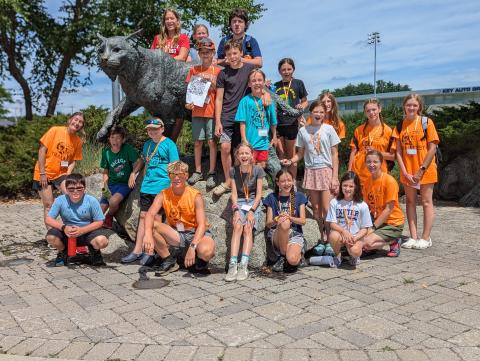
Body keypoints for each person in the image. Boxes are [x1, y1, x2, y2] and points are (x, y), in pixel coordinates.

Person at [281, 100, 340, 245]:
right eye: (316, 112)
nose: (318, 114)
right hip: (311, 171)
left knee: (326, 208)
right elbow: (300, 153)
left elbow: (334, 155)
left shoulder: (329, 129)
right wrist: (291, 160)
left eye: (321, 112)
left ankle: (330, 235)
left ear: (325, 114)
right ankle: (320, 236)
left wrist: (335, 177)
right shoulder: (303, 131)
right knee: (316, 207)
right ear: (310, 113)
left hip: (326, 171)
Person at [121, 118, 179, 264]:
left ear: (162, 128)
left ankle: (152, 252)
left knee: (156, 220)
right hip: (147, 185)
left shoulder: (169, 144)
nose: (152, 131)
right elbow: (142, 160)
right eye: (149, 129)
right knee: (143, 217)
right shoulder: (147, 144)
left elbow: (175, 165)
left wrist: (173, 186)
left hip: (162, 186)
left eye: (155, 128)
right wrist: (133, 173)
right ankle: (137, 250)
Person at [143, 161, 215, 274]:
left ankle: (199, 262)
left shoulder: (195, 195)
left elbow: (201, 224)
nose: (176, 178)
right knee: (151, 226)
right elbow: (150, 214)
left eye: (180, 175)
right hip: (178, 233)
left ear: (186, 176)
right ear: (169, 176)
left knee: (206, 252)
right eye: (173, 175)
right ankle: (168, 261)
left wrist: (192, 247)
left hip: (196, 232)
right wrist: (147, 234)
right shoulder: (163, 194)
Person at [392, 94, 440, 250]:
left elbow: (432, 148)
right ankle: (413, 237)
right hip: (408, 172)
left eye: (414, 105)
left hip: (425, 170)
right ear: (404, 106)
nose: (411, 108)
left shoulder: (427, 122)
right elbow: (398, 151)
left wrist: (421, 170)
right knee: (410, 202)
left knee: (426, 202)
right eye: (408, 105)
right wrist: (404, 171)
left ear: (419, 107)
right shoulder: (400, 125)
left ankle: (426, 238)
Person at [212, 39, 255, 196]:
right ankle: (228, 181)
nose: (232, 56)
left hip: (244, 117)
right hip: (227, 116)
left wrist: (264, 94)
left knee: (244, 149)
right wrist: (218, 121)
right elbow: (218, 99)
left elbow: (259, 84)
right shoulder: (223, 73)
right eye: (229, 54)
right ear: (226, 56)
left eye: (235, 53)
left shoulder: (250, 69)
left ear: (241, 53)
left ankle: (245, 180)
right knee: (224, 147)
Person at [45, 173, 108, 267]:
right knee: (50, 237)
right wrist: (64, 227)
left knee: (103, 241)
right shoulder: (60, 200)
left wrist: (82, 230)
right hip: (68, 233)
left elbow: (100, 221)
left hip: (87, 232)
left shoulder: (91, 200)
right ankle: (64, 252)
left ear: (85, 188)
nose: (75, 191)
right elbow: (48, 219)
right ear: (66, 189)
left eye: (79, 188)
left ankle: (94, 252)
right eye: (71, 189)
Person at [33, 112, 85, 225]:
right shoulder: (55, 130)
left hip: (61, 173)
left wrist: (68, 173)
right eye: (76, 119)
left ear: (82, 126)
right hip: (44, 172)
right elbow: (41, 150)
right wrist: (42, 173)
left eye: (80, 122)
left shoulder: (77, 141)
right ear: (70, 120)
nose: (77, 123)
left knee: (71, 195)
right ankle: (51, 235)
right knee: (49, 205)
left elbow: (73, 161)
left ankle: (72, 226)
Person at [185, 37, 221, 188]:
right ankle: (198, 171)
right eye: (202, 52)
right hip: (197, 112)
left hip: (212, 111)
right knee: (198, 142)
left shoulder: (218, 71)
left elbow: (220, 93)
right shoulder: (193, 69)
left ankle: (212, 172)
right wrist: (188, 103)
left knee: (212, 142)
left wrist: (212, 83)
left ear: (213, 53)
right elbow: (189, 90)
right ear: (198, 53)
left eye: (208, 52)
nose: (205, 55)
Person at [225, 143, 264, 281]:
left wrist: (252, 210)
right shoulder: (233, 171)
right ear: (237, 155)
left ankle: (244, 264)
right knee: (237, 226)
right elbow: (234, 194)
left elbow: (259, 194)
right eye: (241, 153)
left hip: (253, 202)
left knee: (247, 227)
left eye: (247, 153)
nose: (244, 156)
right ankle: (233, 264)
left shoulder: (258, 170)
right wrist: (235, 209)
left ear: (251, 155)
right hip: (240, 202)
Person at [151, 8, 189, 141]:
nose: (169, 21)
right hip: (160, 79)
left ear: (177, 21)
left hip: (176, 79)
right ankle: (157, 143)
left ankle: (171, 144)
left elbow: (182, 57)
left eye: (172, 18)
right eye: (167, 19)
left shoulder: (183, 38)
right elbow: (152, 58)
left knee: (179, 113)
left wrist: (163, 59)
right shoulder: (157, 39)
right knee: (159, 113)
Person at [362, 150, 405, 257]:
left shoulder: (389, 181)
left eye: (375, 162)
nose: (371, 165)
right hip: (376, 220)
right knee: (358, 239)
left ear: (381, 163)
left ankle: (393, 241)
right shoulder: (367, 182)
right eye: (368, 162)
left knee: (365, 243)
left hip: (392, 223)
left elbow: (388, 209)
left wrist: (373, 228)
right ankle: (375, 244)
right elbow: (366, 207)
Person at [263, 169, 308, 272]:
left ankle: (297, 254)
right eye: (283, 181)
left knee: (292, 260)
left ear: (293, 181)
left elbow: (303, 221)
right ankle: (283, 256)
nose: (287, 183)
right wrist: (276, 220)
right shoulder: (272, 197)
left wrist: (290, 217)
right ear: (278, 183)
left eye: (289, 180)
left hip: (294, 234)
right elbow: (269, 223)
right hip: (277, 234)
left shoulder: (299, 196)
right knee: (284, 222)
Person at [326, 171, 372, 267]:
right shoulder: (334, 202)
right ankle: (338, 256)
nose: (347, 189)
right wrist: (344, 232)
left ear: (356, 187)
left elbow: (365, 228)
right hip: (341, 234)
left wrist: (355, 238)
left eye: (351, 186)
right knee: (333, 235)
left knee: (355, 251)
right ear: (341, 186)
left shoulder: (362, 205)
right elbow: (332, 224)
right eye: (345, 185)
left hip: (356, 236)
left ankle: (354, 256)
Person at [235, 68, 277, 169]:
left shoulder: (268, 101)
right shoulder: (245, 101)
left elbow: (273, 121)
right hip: (250, 143)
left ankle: (260, 184)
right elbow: (242, 122)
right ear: (249, 84)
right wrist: (244, 140)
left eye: (259, 80)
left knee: (261, 166)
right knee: (249, 167)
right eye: (253, 81)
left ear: (264, 82)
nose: (257, 83)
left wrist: (275, 136)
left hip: (263, 142)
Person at [274, 58, 308, 180]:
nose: (286, 72)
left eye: (289, 69)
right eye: (283, 69)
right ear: (279, 71)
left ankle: (292, 183)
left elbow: (305, 102)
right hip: (278, 124)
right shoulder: (275, 85)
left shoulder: (298, 83)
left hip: (292, 123)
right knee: (280, 155)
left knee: (292, 156)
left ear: (293, 69)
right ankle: (282, 182)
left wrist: (301, 107)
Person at [99, 126, 140, 229]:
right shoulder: (106, 152)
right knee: (99, 211)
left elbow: (139, 162)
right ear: (109, 139)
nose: (115, 140)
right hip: (111, 184)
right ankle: (91, 229)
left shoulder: (127, 149)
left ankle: (109, 217)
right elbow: (105, 171)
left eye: (118, 138)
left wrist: (133, 173)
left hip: (124, 184)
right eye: (112, 137)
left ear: (123, 139)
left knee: (113, 201)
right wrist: (105, 185)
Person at [348, 99, 394, 186]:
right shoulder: (359, 130)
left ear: (379, 109)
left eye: (374, 109)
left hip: (378, 175)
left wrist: (377, 152)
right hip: (359, 175)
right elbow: (353, 152)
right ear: (365, 113)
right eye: (368, 111)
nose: (371, 113)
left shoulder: (388, 131)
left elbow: (393, 156)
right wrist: (349, 172)